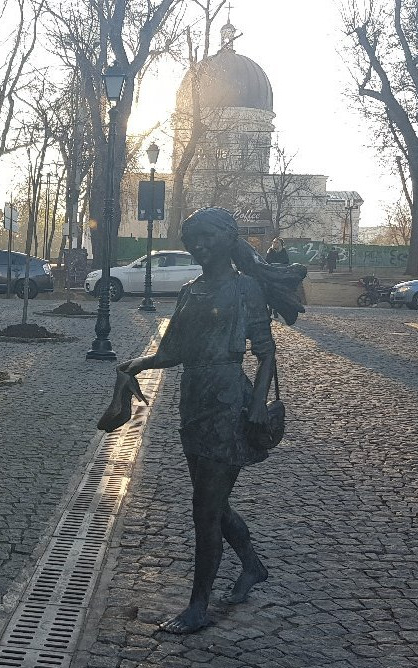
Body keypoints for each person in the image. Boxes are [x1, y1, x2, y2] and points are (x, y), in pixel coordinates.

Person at [117, 207, 305, 635]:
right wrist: (135, 363)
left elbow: (266, 351)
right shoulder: (189, 291)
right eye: (191, 238)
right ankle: (253, 567)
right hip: (194, 400)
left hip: (229, 402)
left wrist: (257, 405)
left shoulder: (245, 289)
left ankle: (197, 605)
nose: (197, 246)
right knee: (213, 503)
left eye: (205, 237)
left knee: (204, 508)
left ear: (226, 238)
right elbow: (173, 353)